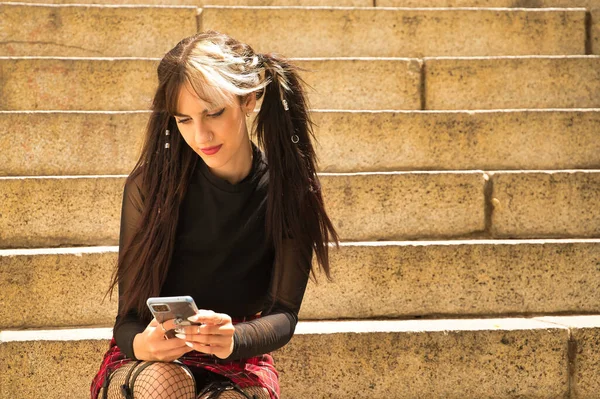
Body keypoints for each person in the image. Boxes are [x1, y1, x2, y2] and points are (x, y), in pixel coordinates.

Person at [89, 30, 340, 399]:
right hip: (152, 360)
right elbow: (126, 320)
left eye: (214, 113)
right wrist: (144, 346)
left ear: (250, 98)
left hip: (237, 355)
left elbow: (284, 313)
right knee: (163, 384)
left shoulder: (289, 191)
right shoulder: (149, 187)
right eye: (184, 120)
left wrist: (233, 338)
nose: (201, 134)